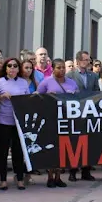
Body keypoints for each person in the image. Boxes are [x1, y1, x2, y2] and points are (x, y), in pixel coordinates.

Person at [37, 58, 78, 188]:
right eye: (58, 67)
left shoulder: (72, 83)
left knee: (63, 148)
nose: (61, 70)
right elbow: (36, 97)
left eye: (63, 67)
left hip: (66, 119)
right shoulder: (46, 82)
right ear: (53, 69)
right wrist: (47, 96)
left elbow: (79, 98)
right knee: (52, 148)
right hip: (51, 119)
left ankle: (58, 177)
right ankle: (50, 177)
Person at [0, 57, 30, 190]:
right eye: (9, 66)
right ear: (5, 68)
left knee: (18, 151)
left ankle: (20, 179)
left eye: (15, 66)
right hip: (3, 121)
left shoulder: (23, 82)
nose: (12, 68)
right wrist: (1, 97)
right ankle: (3, 180)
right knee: (3, 151)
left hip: (18, 122)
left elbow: (28, 99)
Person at [66, 50, 99, 182]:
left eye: (88, 60)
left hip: (89, 112)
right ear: (78, 61)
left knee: (89, 142)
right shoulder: (70, 75)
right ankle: (73, 171)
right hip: (75, 113)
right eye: (85, 59)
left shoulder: (93, 76)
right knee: (75, 142)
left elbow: (97, 92)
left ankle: (86, 171)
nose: (87, 62)